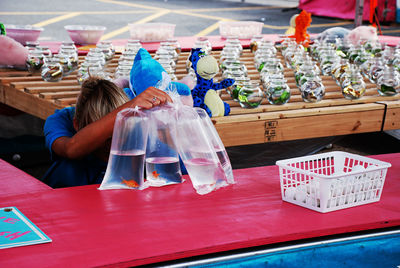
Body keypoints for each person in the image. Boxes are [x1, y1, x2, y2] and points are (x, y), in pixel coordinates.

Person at [42, 76, 172, 188]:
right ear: (76, 125)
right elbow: (71, 149)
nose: (113, 145)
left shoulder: (139, 119)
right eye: (106, 139)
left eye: (120, 134)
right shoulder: (63, 120)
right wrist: (126, 110)